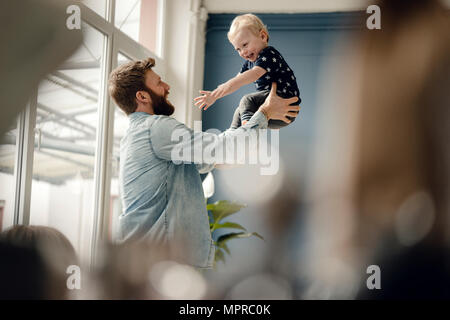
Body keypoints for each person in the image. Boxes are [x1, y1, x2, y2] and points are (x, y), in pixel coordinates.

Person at [108, 58, 299, 268]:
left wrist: (245, 117)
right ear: (142, 96)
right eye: (159, 82)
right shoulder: (156, 129)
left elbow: (216, 158)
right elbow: (225, 151)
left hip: (153, 261)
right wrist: (264, 114)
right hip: (159, 263)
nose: (167, 86)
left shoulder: (139, 134)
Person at [194, 13, 301, 129]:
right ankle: (232, 135)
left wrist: (219, 91)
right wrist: (215, 94)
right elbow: (236, 82)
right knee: (240, 109)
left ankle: (248, 131)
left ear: (263, 36)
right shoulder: (250, 63)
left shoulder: (269, 54)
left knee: (247, 100)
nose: (242, 52)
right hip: (271, 108)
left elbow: (251, 75)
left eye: (245, 45)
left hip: (285, 102)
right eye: (238, 49)